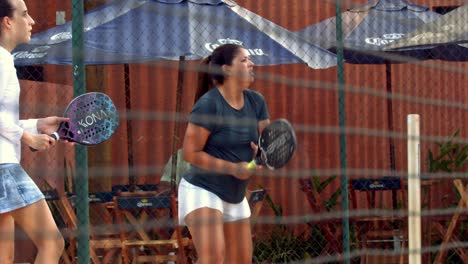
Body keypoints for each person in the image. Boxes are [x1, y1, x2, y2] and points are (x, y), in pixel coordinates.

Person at [178, 43, 270, 264]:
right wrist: (232, 168)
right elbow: (190, 153)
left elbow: (269, 142)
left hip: (235, 194)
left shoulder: (256, 101)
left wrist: (262, 155)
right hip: (202, 189)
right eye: (244, 60)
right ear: (227, 70)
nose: (252, 63)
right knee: (213, 258)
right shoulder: (209, 105)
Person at [0, 0, 68, 263]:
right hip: (4, 169)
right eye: (25, 15)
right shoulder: (2, 61)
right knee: (53, 243)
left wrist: (36, 124)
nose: (32, 22)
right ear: (7, 21)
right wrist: (28, 137)